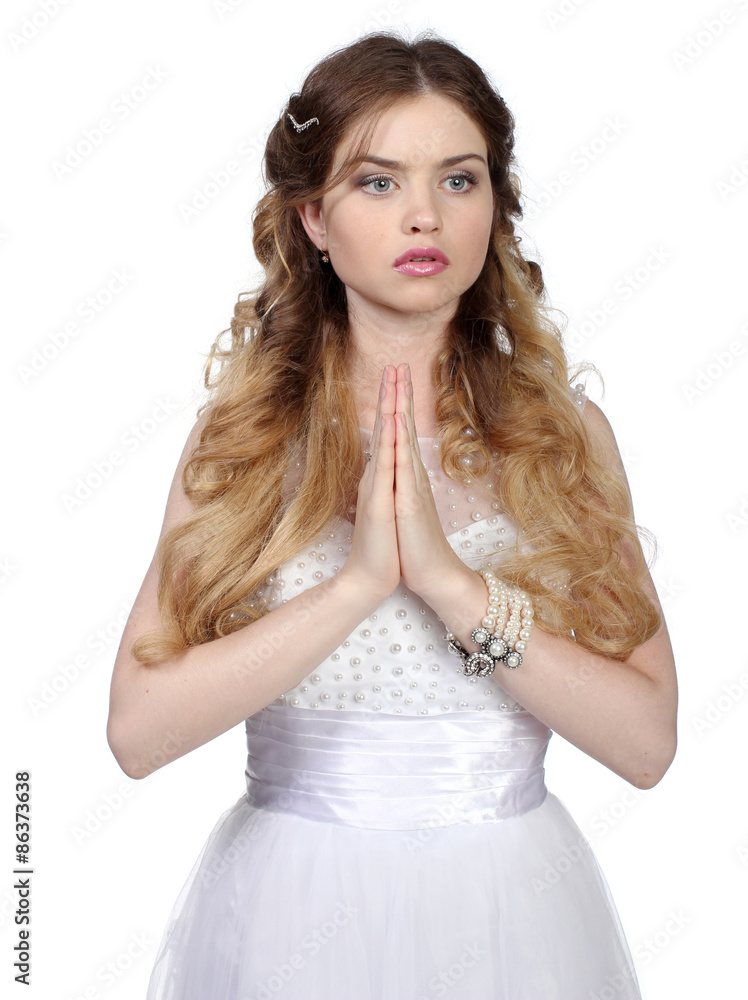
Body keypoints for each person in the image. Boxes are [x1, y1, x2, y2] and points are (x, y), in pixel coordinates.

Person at [106, 30, 678, 1000]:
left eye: (457, 180)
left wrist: (455, 590)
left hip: (509, 913)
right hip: (290, 915)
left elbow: (647, 743)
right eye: (378, 182)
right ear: (312, 218)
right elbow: (136, 731)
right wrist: (360, 584)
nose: (423, 213)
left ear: (493, 205)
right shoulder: (242, 442)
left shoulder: (560, 435)